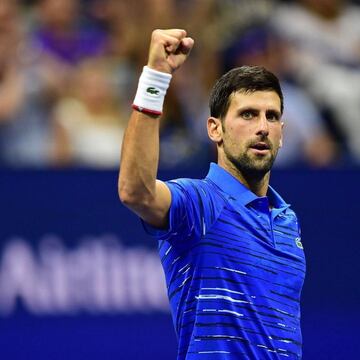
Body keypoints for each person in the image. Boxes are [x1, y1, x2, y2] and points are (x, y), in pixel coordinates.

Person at [119, 29, 306, 359]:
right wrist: (156, 77)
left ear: (281, 135)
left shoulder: (287, 220)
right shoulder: (200, 203)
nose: (262, 126)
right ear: (214, 129)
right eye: (247, 114)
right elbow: (136, 191)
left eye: (272, 116)